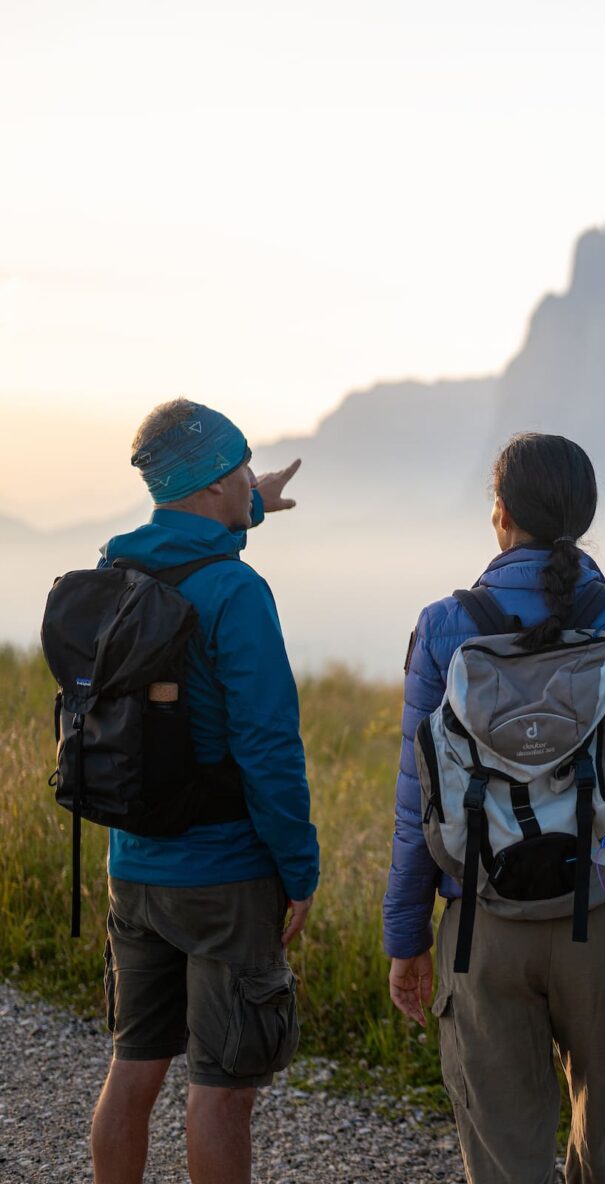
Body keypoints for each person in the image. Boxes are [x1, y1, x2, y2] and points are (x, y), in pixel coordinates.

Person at [381, 432, 605, 1184]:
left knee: (505, 1161)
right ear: (584, 518)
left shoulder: (445, 626)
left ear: (500, 515)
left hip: (481, 925)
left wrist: (406, 936)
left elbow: (417, 798)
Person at [89, 399, 318, 1184]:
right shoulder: (236, 593)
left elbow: (196, 528)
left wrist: (258, 503)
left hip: (135, 867)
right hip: (224, 877)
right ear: (218, 481)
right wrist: (301, 870)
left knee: (134, 1071)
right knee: (221, 1092)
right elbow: (268, 748)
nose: (254, 480)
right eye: (245, 469)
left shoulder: (116, 569)